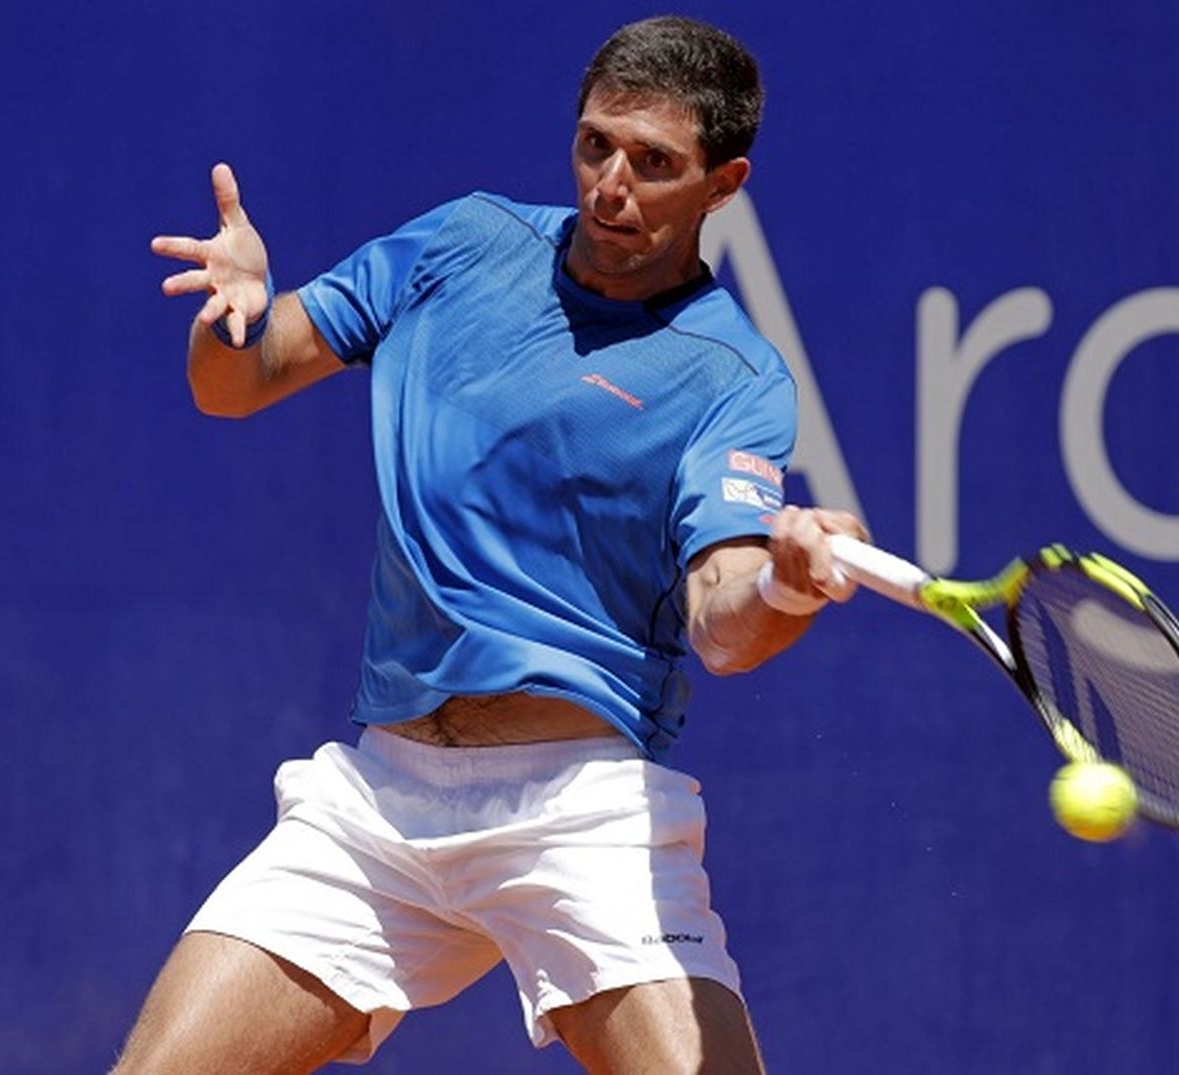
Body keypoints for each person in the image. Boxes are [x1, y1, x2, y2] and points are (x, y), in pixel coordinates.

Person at [123, 15, 866, 1074]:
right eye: (595, 144)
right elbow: (232, 385)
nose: (612, 183)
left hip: (580, 813)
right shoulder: (463, 244)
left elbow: (724, 621)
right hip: (379, 801)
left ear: (724, 182)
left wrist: (784, 585)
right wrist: (232, 316)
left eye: (655, 163)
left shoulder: (735, 378)